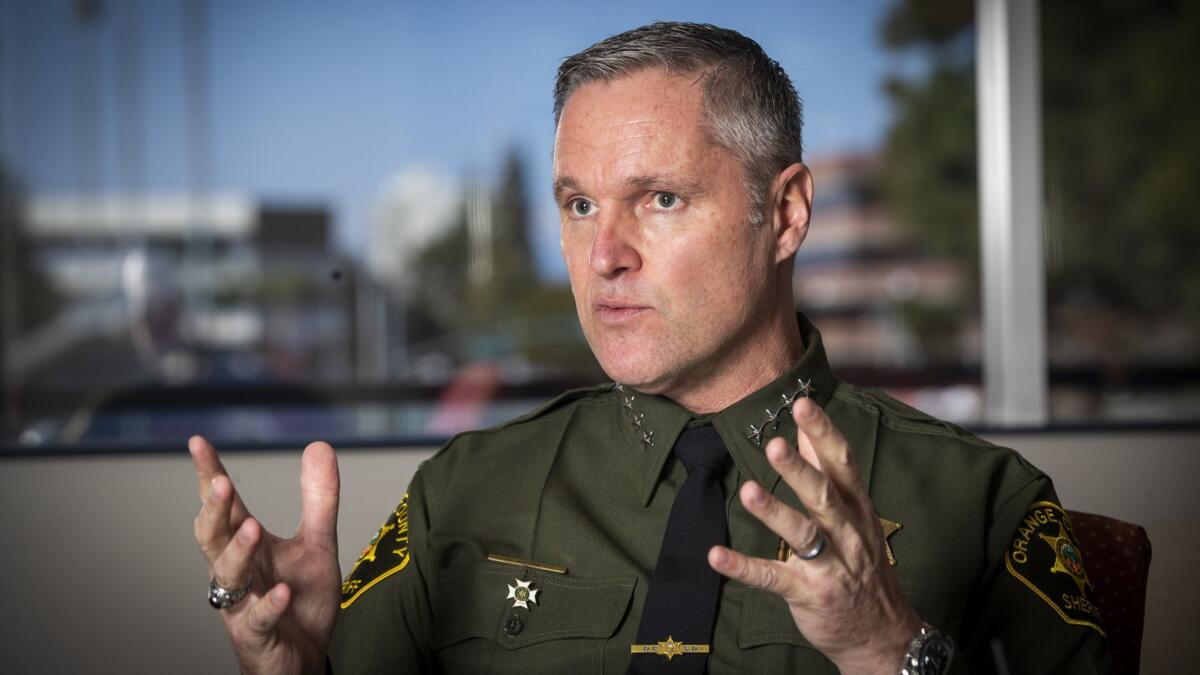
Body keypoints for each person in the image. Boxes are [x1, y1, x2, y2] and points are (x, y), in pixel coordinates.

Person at [190, 22, 1111, 674]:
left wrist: (883, 648)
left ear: (783, 214)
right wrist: (291, 666)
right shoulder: (462, 492)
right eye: (579, 203)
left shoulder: (986, 503)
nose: (603, 255)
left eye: (660, 199)